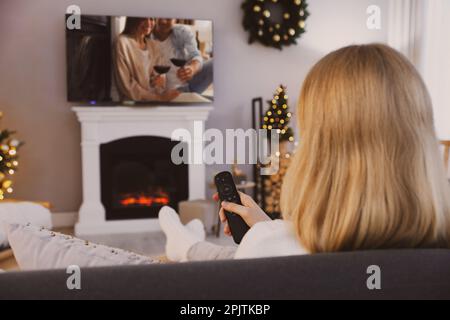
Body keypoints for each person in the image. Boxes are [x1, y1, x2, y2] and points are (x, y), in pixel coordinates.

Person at [159, 44, 450, 262]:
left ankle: (185, 245)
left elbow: (267, 254)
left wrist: (266, 235)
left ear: (319, 151)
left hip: (263, 251)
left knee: (225, 257)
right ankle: (187, 241)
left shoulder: (271, 248)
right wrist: (268, 227)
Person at [113, 17, 179, 102]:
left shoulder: (154, 45)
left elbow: (158, 83)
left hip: (153, 102)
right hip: (132, 105)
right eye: (143, 19)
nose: (148, 24)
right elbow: (126, 85)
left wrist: (159, 80)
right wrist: (158, 98)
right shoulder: (122, 43)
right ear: (133, 19)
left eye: (151, 19)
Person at [152, 19, 213, 94]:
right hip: (167, 92)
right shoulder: (146, 36)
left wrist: (192, 68)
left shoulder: (182, 32)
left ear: (175, 20)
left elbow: (195, 55)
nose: (164, 21)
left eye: (168, 19)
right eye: (161, 17)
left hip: (189, 84)